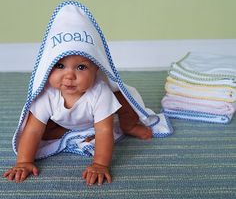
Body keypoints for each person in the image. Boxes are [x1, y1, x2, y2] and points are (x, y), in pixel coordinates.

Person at [3, 54, 152, 185]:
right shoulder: (46, 93)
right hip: (63, 121)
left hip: (98, 120)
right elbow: (33, 130)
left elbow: (104, 130)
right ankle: (74, 132)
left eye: (81, 67)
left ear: (96, 69)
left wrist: (100, 164)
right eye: (60, 65)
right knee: (41, 132)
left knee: (123, 99)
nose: (69, 76)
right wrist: (24, 162)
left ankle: (129, 126)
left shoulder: (100, 91)